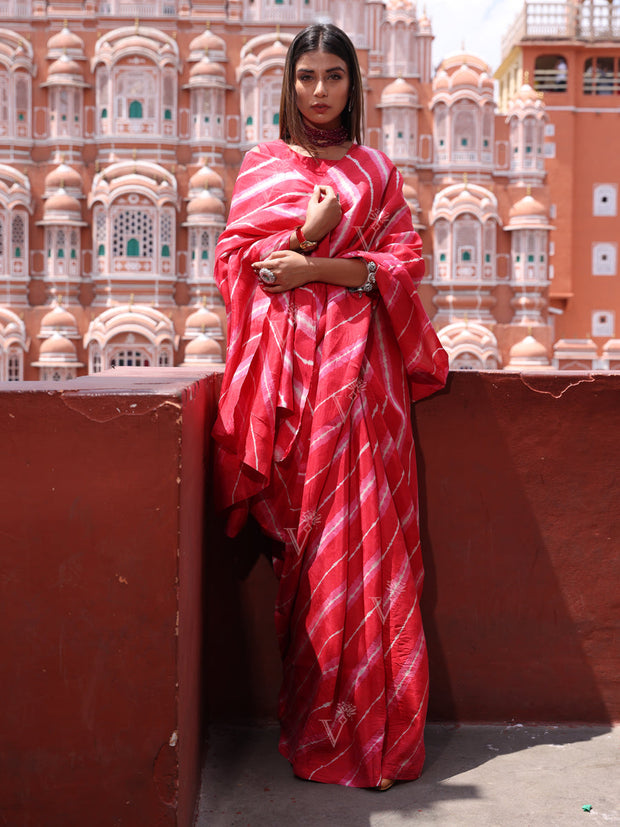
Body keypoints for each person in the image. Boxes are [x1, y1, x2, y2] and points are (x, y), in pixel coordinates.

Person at [212, 23, 448, 790]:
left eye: (334, 77)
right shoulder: (263, 164)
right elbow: (244, 265)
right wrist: (309, 241)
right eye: (307, 76)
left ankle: (379, 729)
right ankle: (320, 717)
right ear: (290, 84)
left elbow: (401, 267)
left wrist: (317, 260)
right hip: (298, 384)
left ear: (354, 85)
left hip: (365, 382)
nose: (320, 91)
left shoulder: (379, 172)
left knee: (372, 549)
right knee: (315, 553)